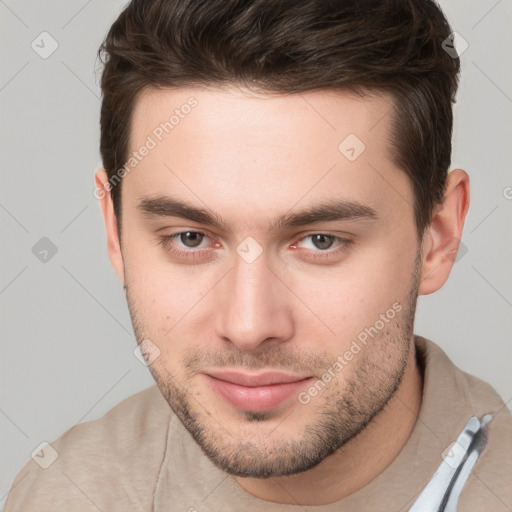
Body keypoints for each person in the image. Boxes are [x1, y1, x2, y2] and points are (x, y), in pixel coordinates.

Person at [6, 0, 511, 510]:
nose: (248, 327)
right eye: (191, 238)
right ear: (115, 232)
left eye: (321, 241)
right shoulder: (63, 493)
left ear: (438, 236)